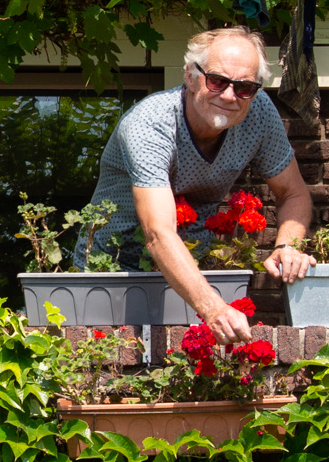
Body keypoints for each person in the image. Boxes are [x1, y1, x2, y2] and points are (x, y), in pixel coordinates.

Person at [88, 27, 315, 344]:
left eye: (245, 87)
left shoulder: (260, 113)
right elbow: (157, 232)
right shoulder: (151, 123)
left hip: (195, 276)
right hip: (116, 277)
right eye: (217, 81)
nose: (229, 96)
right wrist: (214, 309)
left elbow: (293, 192)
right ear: (191, 75)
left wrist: (287, 246)